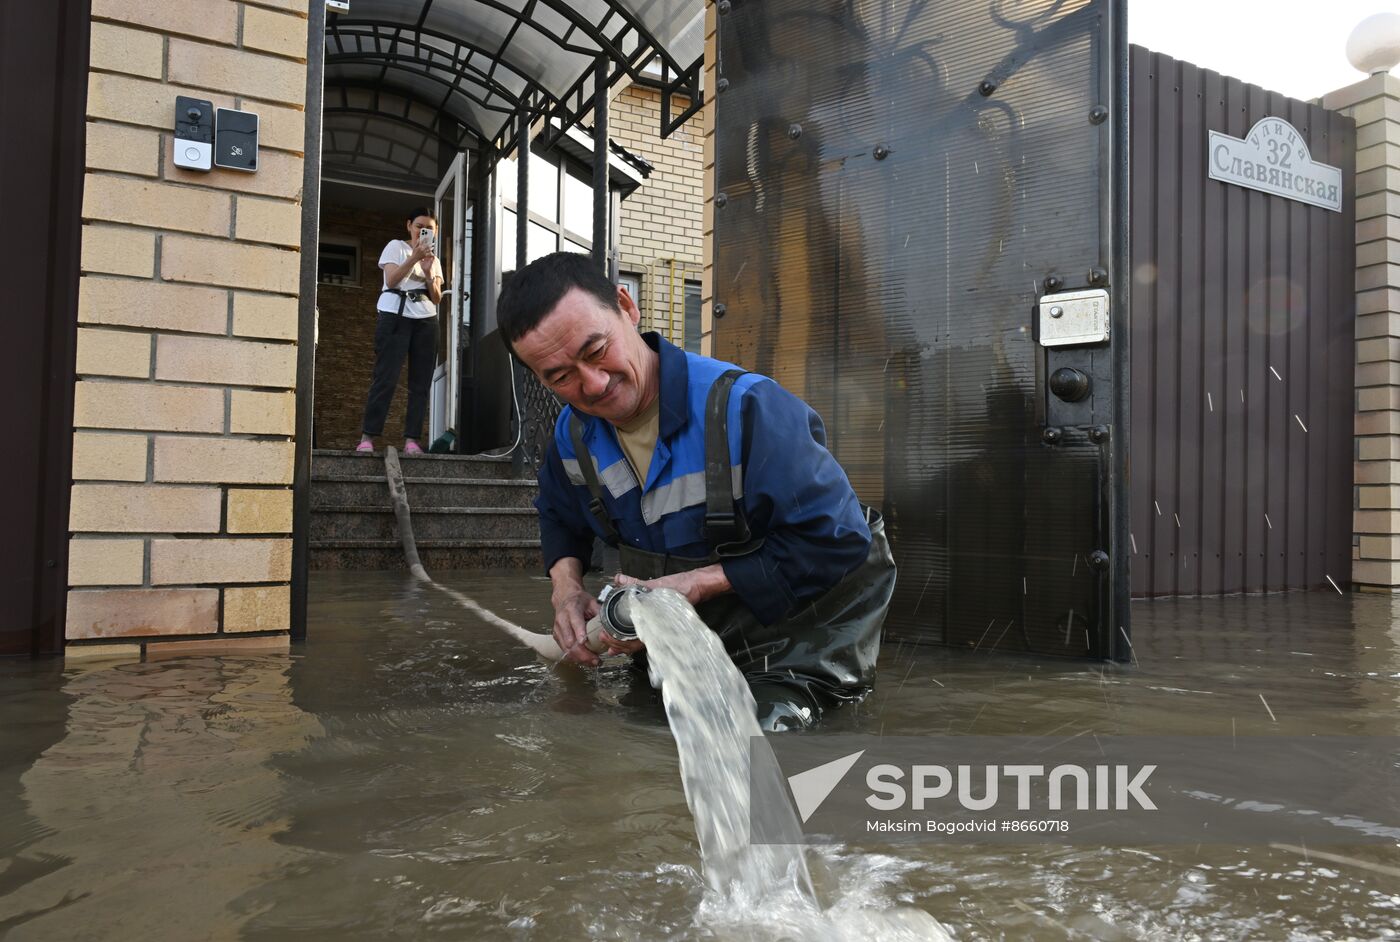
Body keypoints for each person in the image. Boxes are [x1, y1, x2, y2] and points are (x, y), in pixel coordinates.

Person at [496, 252, 897, 732]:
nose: (594, 385)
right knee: (622, 741)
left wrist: (699, 583)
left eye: (597, 350)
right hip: (681, 654)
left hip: (795, 653)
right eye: (561, 377)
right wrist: (567, 591)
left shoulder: (749, 408)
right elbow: (559, 514)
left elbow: (838, 541)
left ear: (627, 306)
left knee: (762, 740)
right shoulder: (572, 435)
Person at [357, 208, 443, 455]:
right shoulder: (396, 247)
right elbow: (392, 280)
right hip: (394, 314)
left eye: (429, 229)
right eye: (419, 226)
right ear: (408, 226)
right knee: (385, 377)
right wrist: (414, 258)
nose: (422, 232)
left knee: (420, 383)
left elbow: (437, 297)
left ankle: (412, 440)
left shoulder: (435, 260)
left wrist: (429, 274)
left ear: (435, 232)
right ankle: (368, 437)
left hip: (426, 320)